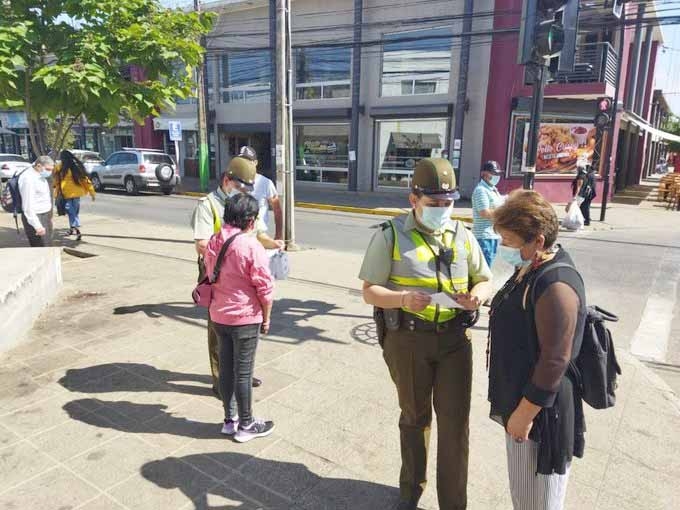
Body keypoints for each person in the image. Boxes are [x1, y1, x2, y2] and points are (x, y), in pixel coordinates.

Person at [359, 158, 493, 510]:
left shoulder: (462, 234)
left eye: (448, 203)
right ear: (413, 200)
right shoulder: (389, 235)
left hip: (454, 341)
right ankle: (410, 491)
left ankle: (453, 502)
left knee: (455, 424)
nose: (442, 210)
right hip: (409, 341)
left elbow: (485, 277)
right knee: (415, 417)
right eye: (434, 204)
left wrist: (476, 296)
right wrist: (402, 299)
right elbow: (370, 290)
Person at [488, 190, 587, 510]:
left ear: (538, 241)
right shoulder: (531, 266)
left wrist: (523, 414)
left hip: (540, 413)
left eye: (509, 240)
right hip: (520, 400)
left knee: (539, 501)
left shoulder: (556, 285)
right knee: (524, 495)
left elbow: (555, 359)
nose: (503, 247)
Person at [191, 157, 282, 397]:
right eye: (240, 186)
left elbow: (259, 233)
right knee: (218, 329)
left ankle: (242, 374)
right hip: (218, 274)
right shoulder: (208, 205)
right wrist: (236, 248)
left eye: (247, 188)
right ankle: (221, 381)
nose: (244, 192)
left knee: (245, 326)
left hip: (245, 272)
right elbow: (201, 244)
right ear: (226, 180)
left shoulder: (244, 203)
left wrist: (275, 243)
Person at [204, 193, 275, 442]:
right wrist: (266, 318)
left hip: (219, 315)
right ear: (251, 220)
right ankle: (246, 425)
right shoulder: (250, 245)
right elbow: (265, 289)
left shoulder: (214, 240)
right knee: (243, 373)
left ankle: (229, 419)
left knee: (226, 368)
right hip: (244, 318)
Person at [238, 145, 283, 239]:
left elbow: (277, 210)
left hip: (259, 236)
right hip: (237, 236)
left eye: (248, 161)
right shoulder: (233, 182)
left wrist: (278, 236)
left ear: (255, 163)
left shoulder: (266, 183)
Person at [54, 150, 96, 241]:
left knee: (71, 212)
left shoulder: (60, 167)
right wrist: (92, 192)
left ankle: (75, 228)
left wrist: (56, 192)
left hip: (66, 194)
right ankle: (74, 229)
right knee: (73, 212)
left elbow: (56, 181)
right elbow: (85, 180)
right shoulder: (75, 167)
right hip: (77, 193)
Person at [471, 160, 505, 268]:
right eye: (493, 173)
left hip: (493, 235)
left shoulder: (492, 189)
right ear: (484, 174)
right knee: (484, 269)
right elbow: (484, 212)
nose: (496, 176)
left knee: (488, 267)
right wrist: (503, 215)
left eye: (497, 174)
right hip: (484, 236)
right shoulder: (481, 190)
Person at [18, 156, 56, 247]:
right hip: (35, 217)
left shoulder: (39, 175)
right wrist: (37, 226)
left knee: (47, 246)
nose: (49, 172)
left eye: (51, 170)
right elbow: (27, 206)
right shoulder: (28, 179)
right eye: (48, 169)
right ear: (39, 166)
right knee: (41, 247)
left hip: (44, 215)